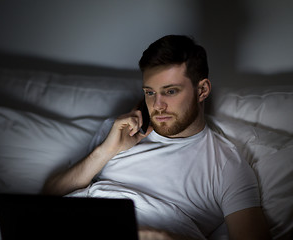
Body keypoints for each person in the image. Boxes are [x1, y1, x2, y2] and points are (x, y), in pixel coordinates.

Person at [42, 35, 271, 240]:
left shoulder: (227, 166)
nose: (157, 106)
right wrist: (106, 151)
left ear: (202, 90)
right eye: (150, 92)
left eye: (170, 91)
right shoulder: (120, 131)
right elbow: (49, 194)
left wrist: (165, 237)